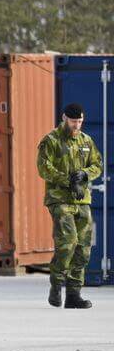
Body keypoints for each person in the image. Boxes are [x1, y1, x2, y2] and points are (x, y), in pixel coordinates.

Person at [37, 102, 102, 309]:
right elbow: (44, 168)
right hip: (60, 199)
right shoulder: (51, 140)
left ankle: (74, 294)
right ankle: (56, 285)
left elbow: (97, 164)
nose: (77, 126)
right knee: (68, 242)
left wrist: (85, 174)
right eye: (74, 121)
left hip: (82, 200)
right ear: (64, 118)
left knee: (83, 248)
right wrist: (68, 181)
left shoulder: (86, 141)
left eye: (80, 122)